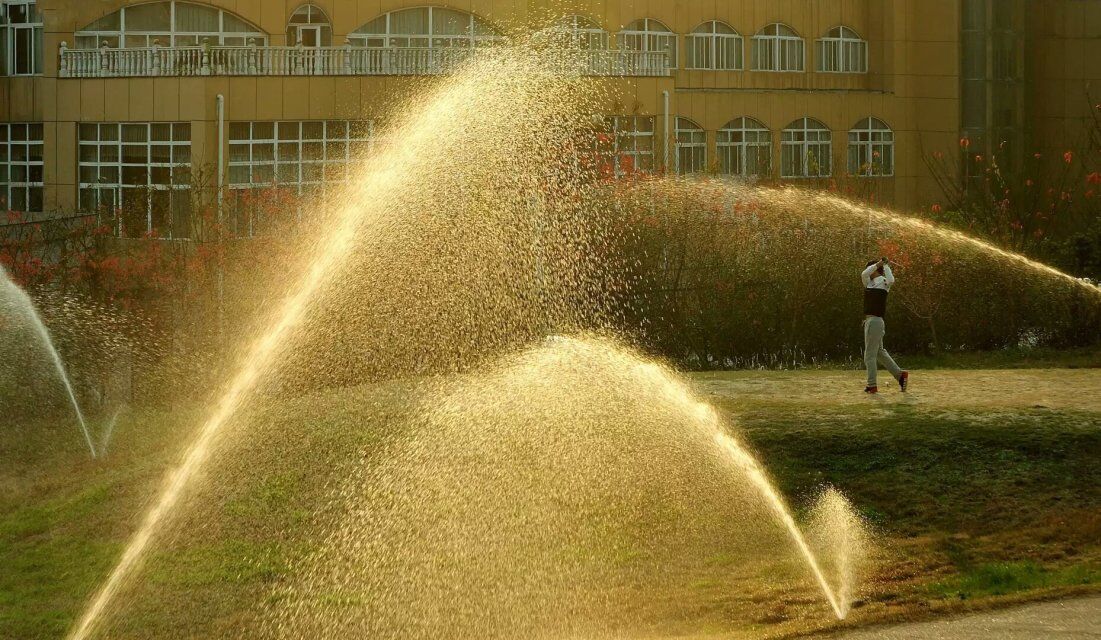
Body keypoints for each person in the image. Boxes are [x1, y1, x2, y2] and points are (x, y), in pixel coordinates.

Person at [861, 257, 909, 394]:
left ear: (876, 270)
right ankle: (900, 376)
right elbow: (863, 274)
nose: (868, 271)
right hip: (871, 321)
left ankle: (872, 385)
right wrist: (878, 264)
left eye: (871, 268)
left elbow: (891, 280)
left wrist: (885, 265)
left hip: (875, 322)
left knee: (869, 355)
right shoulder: (868, 282)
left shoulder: (883, 282)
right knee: (879, 353)